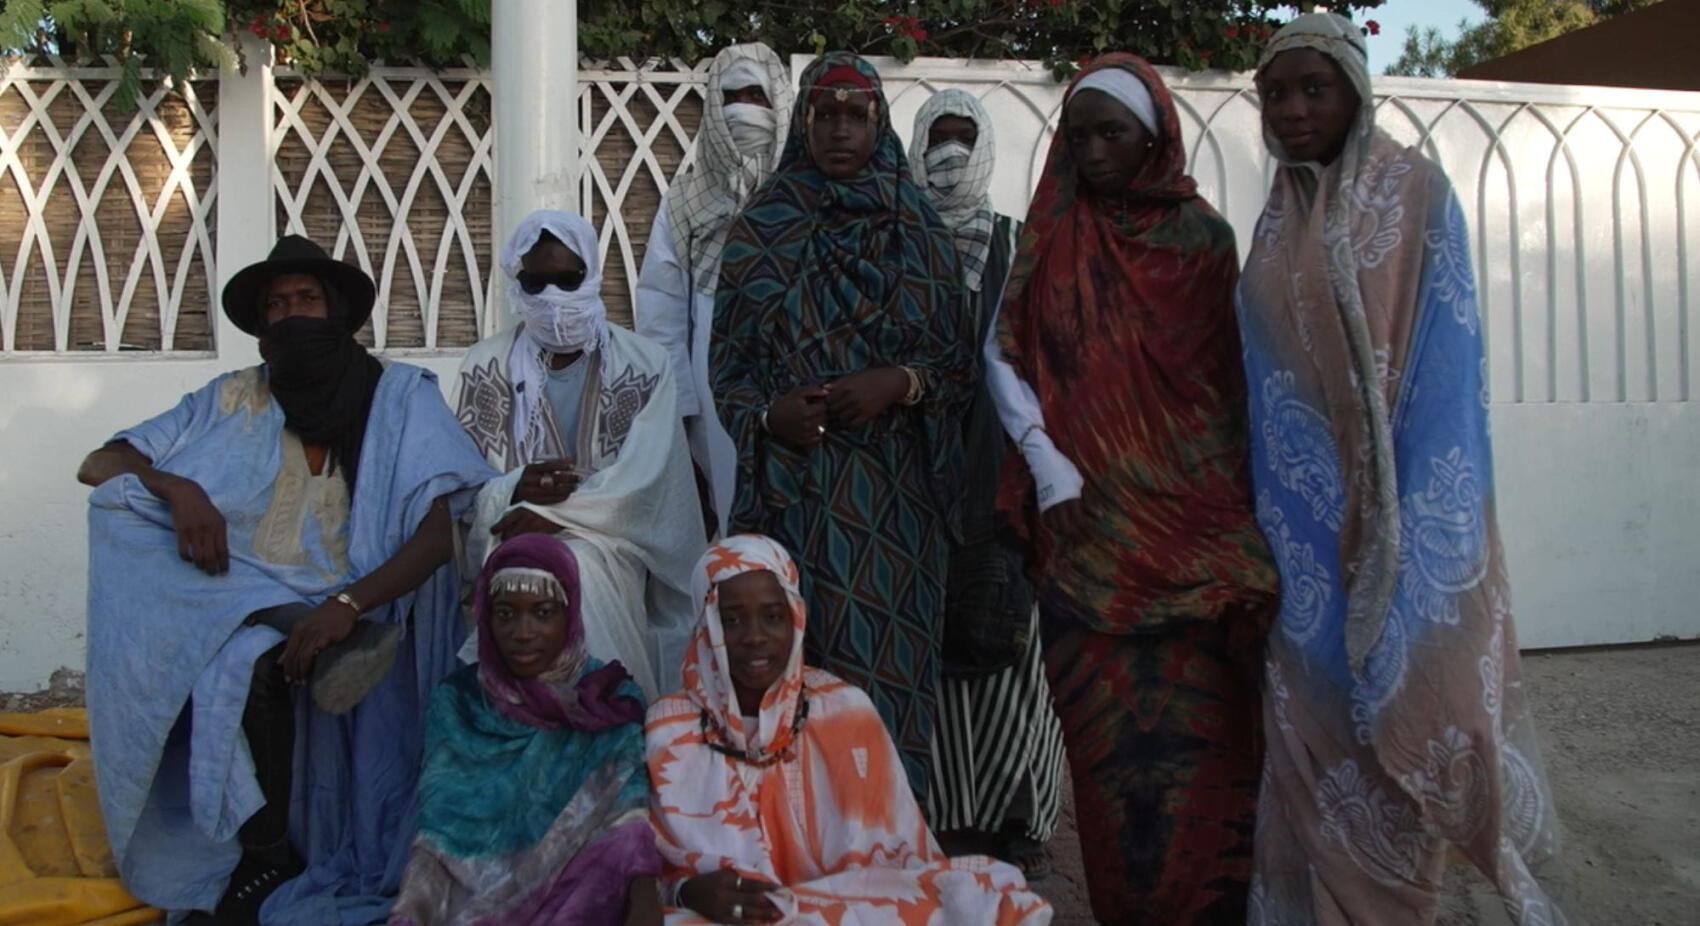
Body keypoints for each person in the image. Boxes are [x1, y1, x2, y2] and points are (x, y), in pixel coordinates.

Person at [1238, 14, 1565, 925]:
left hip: (1402, 521)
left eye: (1315, 89)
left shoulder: (1414, 191)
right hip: (1298, 547)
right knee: (1309, 739)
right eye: (1276, 93)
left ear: (1356, 92)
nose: (1293, 110)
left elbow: (1444, 370)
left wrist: (1408, 530)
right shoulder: (1276, 219)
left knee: (1407, 717)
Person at [79, 234, 496, 923]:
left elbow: (437, 536)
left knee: (250, 657)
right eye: (277, 305)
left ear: (336, 311)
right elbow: (97, 464)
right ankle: (265, 853)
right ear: (261, 322)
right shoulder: (230, 396)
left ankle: (272, 851)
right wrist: (177, 487)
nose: (292, 314)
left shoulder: (398, 395)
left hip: (363, 598)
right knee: (119, 507)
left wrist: (347, 604)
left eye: (307, 299)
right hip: (240, 590)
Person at [986, 55, 1280, 924]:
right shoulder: (1053, 238)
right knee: (1113, 771)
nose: (1093, 151)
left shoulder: (1204, 244)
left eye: (1112, 133)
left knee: (1208, 760)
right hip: (1085, 551)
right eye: (1078, 136)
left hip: (1198, 547)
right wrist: (1045, 460)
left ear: (1153, 138)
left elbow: (1230, 395)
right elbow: (1003, 351)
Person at [709, 52, 975, 804]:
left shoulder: (919, 232)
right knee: (787, 664)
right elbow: (727, 367)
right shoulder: (761, 230)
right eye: (824, 115)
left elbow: (957, 369)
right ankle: (790, 839)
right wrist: (768, 414)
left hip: (895, 507)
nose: (838, 130)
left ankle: (888, 842)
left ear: (878, 124)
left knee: (887, 677)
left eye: (855, 115)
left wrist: (898, 383)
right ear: (803, 122)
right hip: (792, 496)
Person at [644, 534, 1053, 925]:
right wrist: (685, 892)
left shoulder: (842, 708)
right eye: (731, 621)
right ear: (705, 628)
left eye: (772, 617)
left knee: (965, 899)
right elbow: (645, 874)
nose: (754, 637)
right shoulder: (671, 728)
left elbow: (898, 863)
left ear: (796, 618)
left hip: (850, 906)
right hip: (730, 918)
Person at [906, 89, 1066, 876]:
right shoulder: (896, 243)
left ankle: (1019, 819)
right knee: (923, 645)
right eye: (937, 138)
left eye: (964, 139)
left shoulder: (1017, 245)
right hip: (911, 474)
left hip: (999, 474)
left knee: (1010, 645)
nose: (950, 155)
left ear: (986, 149)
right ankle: (930, 813)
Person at [451, 209, 704, 698]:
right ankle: (515, 723)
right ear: (518, 284)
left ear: (592, 274)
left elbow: (652, 484)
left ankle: (600, 719)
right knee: (524, 573)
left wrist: (560, 516)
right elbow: (462, 483)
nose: (553, 297)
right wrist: (512, 489)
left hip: (613, 543)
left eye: (568, 280)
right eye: (536, 283)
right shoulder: (484, 365)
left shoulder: (646, 364)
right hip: (508, 535)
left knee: (574, 564)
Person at [390, 535, 661, 925]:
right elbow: (440, 828)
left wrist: (647, 899)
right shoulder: (459, 700)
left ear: (570, 614)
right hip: (470, 895)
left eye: (543, 612)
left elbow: (628, 822)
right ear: (486, 619)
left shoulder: (606, 699)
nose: (523, 632)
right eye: (505, 614)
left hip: (582, 892)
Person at [635, 43, 793, 536]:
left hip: (800, 368)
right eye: (732, 97)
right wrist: (682, 404)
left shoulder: (804, 192)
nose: (744, 109)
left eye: (757, 96)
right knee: (731, 502)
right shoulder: (685, 199)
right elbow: (661, 307)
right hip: (715, 383)